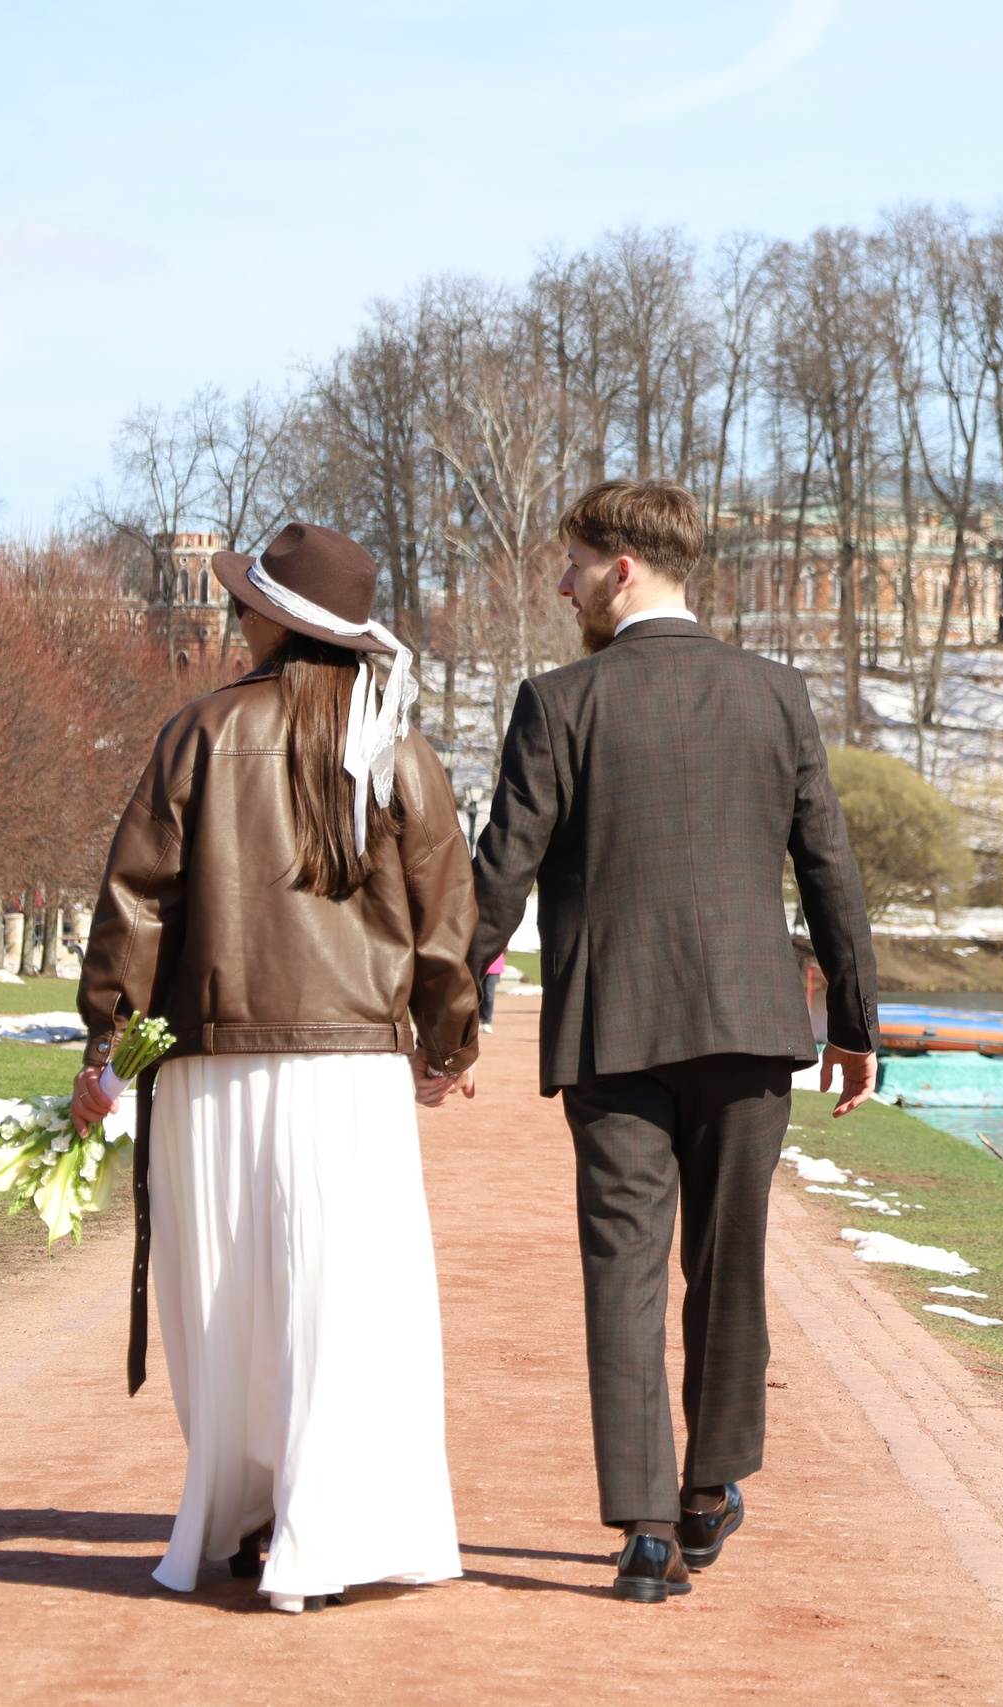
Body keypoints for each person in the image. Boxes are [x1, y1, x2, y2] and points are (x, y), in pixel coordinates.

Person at [468, 479, 878, 1606]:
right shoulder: (776, 694)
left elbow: (501, 873)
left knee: (625, 1269)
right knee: (729, 1262)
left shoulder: (559, 702)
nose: (562, 585)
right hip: (748, 1024)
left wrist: (447, 1012)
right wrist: (854, 1022)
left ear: (622, 569)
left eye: (572, 564)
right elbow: (829, 867)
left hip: (614, 1029)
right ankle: (707, 1492)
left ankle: (646, 1533)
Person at [72, 522, 481, 1615]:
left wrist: (108, 1044)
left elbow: (136, 901)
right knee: (345, 1299)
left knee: (225, 1301)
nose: (235, 616)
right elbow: (445, 913)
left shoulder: (200, 731)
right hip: (351, 1071)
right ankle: (329, 1523)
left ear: (273, 621)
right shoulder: (397, 747)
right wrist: (448, 1042)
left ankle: (250, 1513)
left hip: (213, 1061)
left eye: (246, 602)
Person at [480, 949, 507, 1026]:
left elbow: (504, 949)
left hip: (494, 967)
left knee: (488, 994)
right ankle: (479, 1016)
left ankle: (486, 1020)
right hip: (480, 966)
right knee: (478, 993)